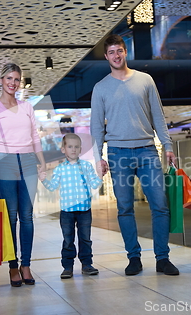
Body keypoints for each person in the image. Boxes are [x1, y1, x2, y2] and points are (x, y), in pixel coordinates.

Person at [90, 34, 179, 276]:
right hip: (118, 154)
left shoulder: (145, 80)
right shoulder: (100, 88)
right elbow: (96, 127)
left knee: (160, 205)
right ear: (106, 56)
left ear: (125, 51)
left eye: (119, 51)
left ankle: (162, 258)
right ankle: (134, 258)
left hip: (148, 151)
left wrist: (167, 146)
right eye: (111, 53)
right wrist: (98, 156)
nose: (116, 56)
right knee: (125, 208)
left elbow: (158, 117)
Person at [0, 63, 46, 287]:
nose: (13, 83)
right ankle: (13, 266)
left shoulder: (27, 107)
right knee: (10, 217)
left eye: (17, 79)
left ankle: (26, 265)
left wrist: (42, 163)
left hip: (29, 162)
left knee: (27, 216)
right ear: (1, 80)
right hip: (5, 164)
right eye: (9, 78)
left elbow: (35, 136)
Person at [39, 134, 103, 279]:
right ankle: (67, 267)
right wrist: (44, 180)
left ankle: (87, 264)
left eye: (76, 147)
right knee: (68, 239)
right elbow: (52, 186)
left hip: (84, 210)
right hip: (66, 211)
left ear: (80, 149)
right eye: (69, 147)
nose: (73, 150)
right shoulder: (59, 169)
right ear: (63, 149)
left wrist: (100, 176)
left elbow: (94, 184)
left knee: (85, 238)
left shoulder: (86, 166)